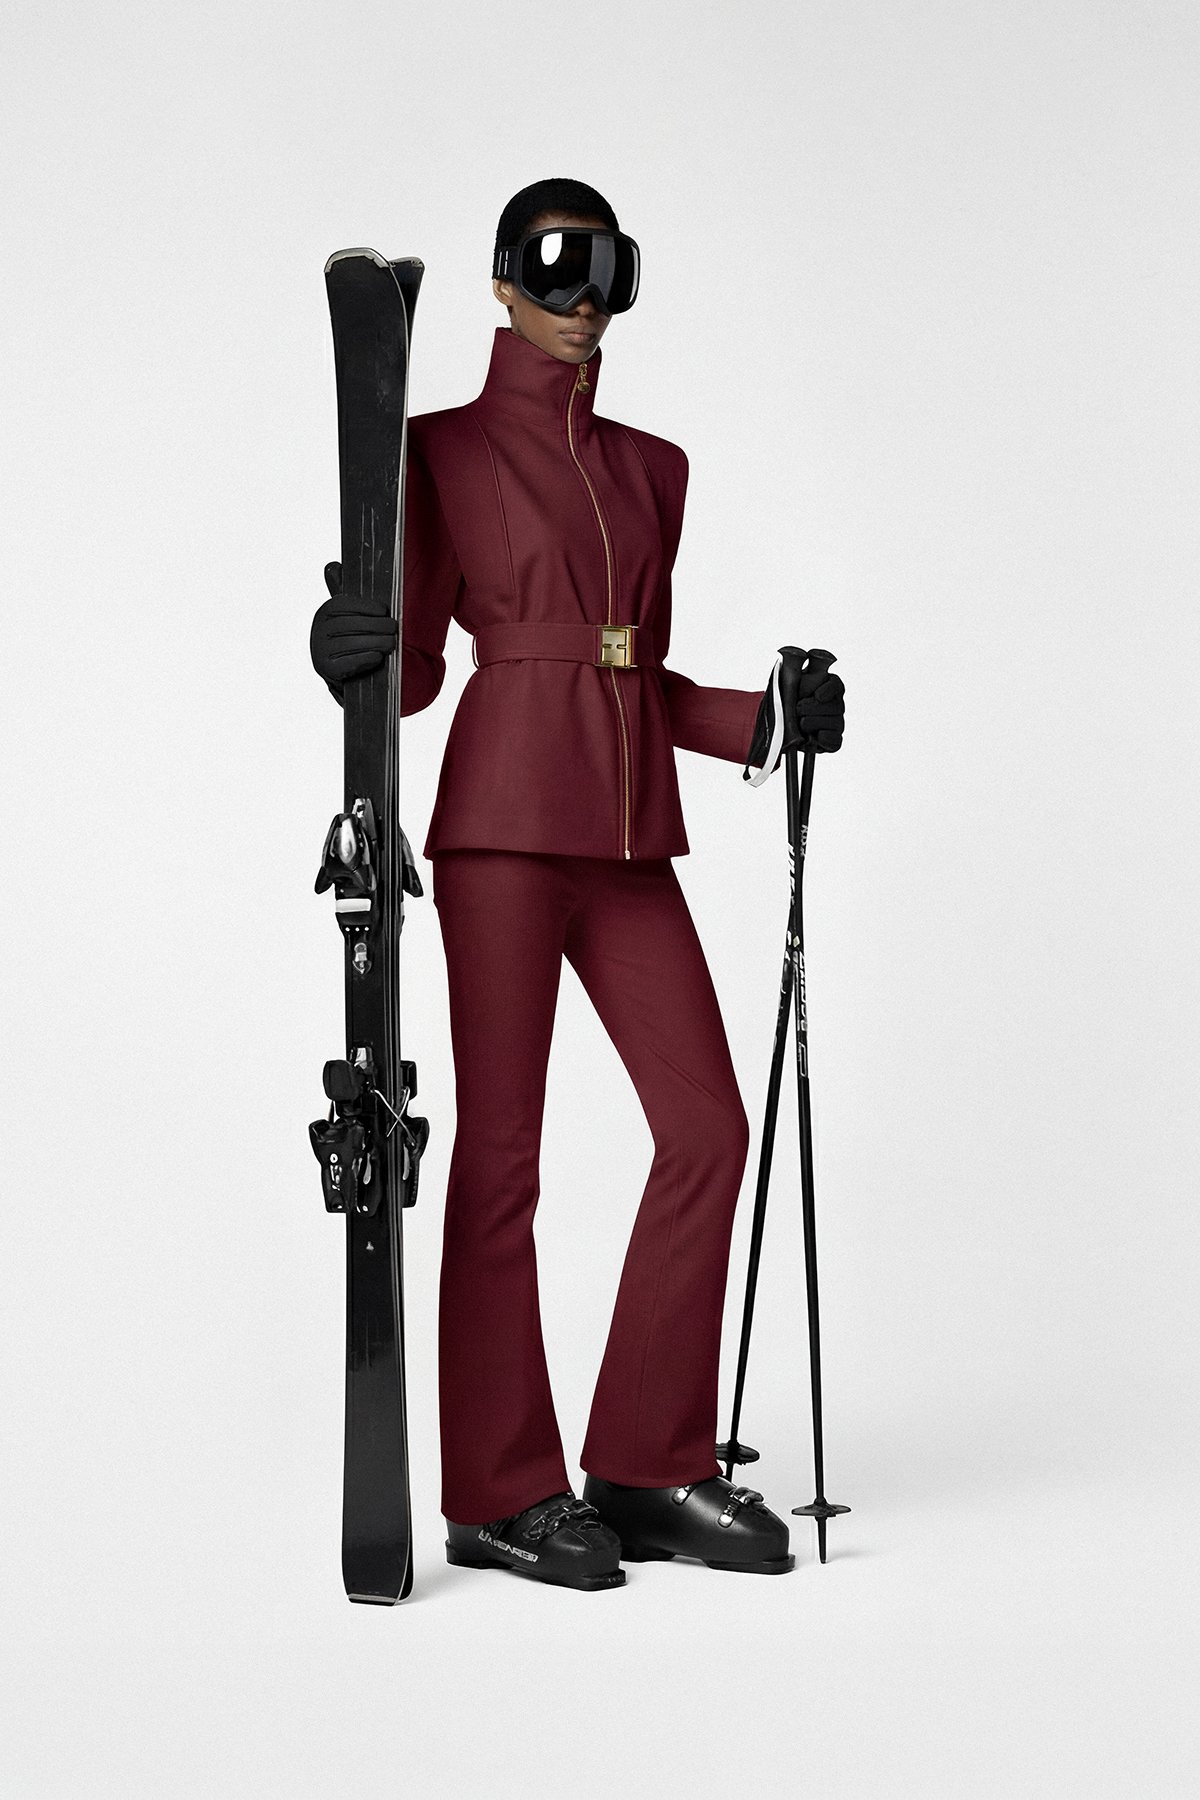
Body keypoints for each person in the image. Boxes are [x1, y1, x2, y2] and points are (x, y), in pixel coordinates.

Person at [310, 176, 845, 1592]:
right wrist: (347, 641)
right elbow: (412, 679)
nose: (583, 298)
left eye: (609, 269)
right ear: (502, 280)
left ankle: (646, 1465)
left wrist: (768, 719)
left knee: (707, 1127)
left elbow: (636, 675)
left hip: (627, 833)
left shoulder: (654, 470)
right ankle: (498, 1493)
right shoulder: (439, 450)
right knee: (502, 1158)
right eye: (554, 265)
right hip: (499, 829)